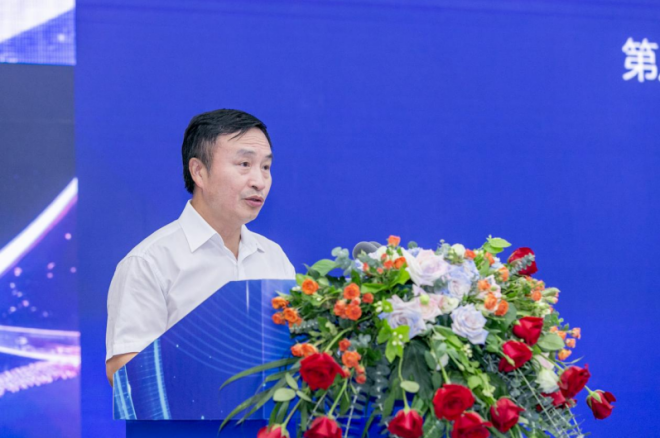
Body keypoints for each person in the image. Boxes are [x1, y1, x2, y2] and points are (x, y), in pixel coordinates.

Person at [105, 109, 296, 385]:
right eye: (244, 164)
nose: (259, 181)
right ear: (199, 172)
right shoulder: (150, 262)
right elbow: (124, 367)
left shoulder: (273, 257)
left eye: (265, 167)